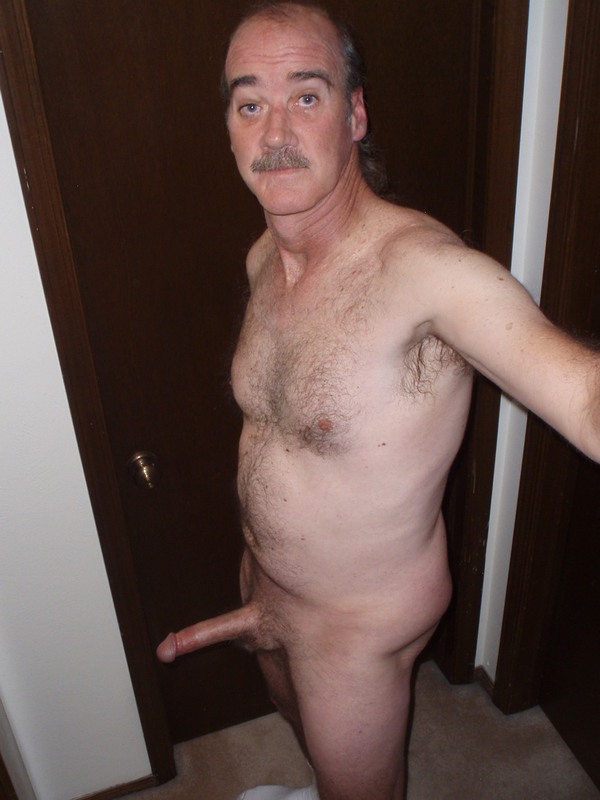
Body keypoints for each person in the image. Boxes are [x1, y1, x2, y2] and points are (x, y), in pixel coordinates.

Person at [157, 2, 600, 798]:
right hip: (267, 587)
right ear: (228, 128)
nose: (274, 130)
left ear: (355, 114)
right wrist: (267, 585)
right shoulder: (265, 257)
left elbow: (586, 396)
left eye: (307, 95)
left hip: (355, 628)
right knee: (299, 731)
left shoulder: (428, 273)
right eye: (249, 104)